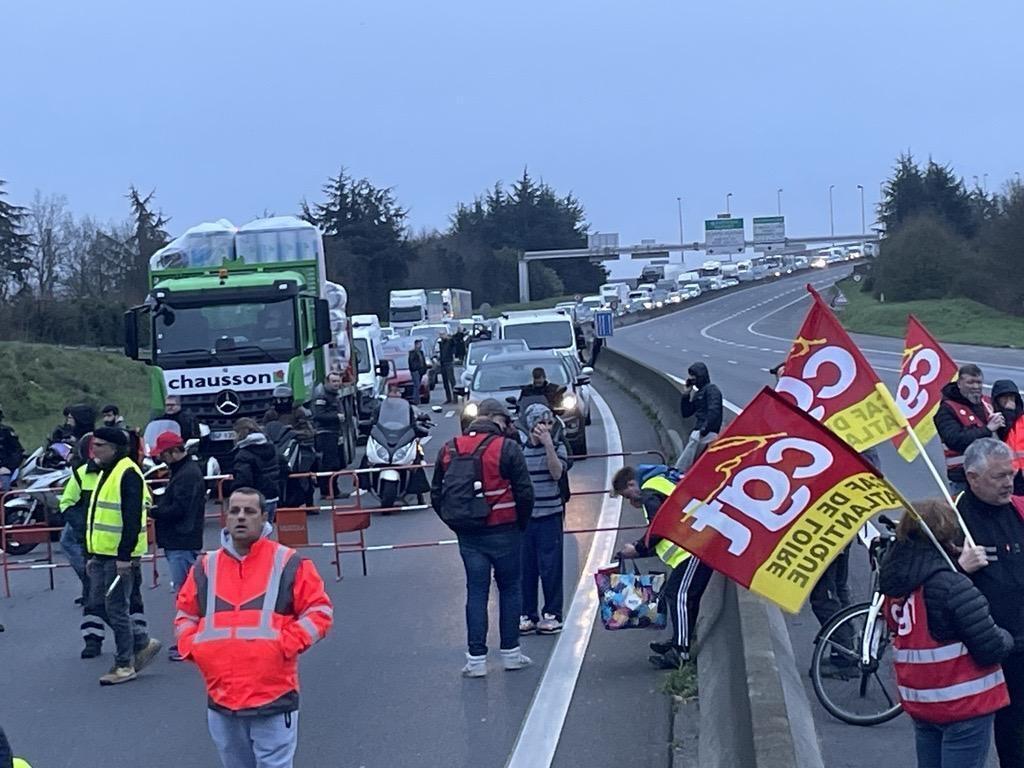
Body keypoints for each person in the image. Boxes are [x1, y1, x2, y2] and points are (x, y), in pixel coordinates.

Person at [175, 487, 333, 768]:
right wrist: (193, 648)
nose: (240, 517)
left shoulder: (288, 563)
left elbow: (319, 611)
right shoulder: (205, 567)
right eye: (234, 511)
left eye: (249, 511)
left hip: (272, 695)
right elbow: (186, 614)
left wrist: (285, 644)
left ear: (264, 517)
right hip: (221, 695)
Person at [880, 498, 1014, 768]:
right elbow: (992, 647)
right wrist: (1009, 636)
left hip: (921, 701)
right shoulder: (952, 586)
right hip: (962, 703)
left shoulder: (895, 580)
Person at [431, 398, 534, 677]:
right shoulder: (507, 448)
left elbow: (437, 495)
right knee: (510, 589)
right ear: (497, 421)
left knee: (476, 592)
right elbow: (525, 492)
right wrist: (520, 524)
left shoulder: (449, 448)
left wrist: (456, 524)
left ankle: (476, 660)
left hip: (469, 534)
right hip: (504, 529)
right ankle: (511, 653)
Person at [956, 438, 1024, 765]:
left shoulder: (1020, 509)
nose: (1008, 482)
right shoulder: (951, 517)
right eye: (999, 477)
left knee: (1017, 735)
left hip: (1021, 645)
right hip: (976, 650)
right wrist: (959, 569)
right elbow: (913, 579)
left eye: (1010, 474)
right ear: (972, 477)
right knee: (973, 736)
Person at [612, 465, 712, 668]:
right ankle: (679, 641)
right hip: (696, 544)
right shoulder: (659, 482)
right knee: (683, 596)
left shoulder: (649, 491)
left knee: (678, 596)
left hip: (692, 549)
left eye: (627, 495)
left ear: (632, 483)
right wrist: (639, 550)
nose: (631, 502)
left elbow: (660, 528)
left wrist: (638, 548)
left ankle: (680, 652)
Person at [84, 427, 161, 685]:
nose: (94, 449)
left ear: (115, 448)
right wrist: (93, 554)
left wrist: (124, 556)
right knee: (96, 604)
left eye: (100, 445)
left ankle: (124, 664)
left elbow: (130, 517)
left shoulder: (127, 473)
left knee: (116, 608)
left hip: (119, 555)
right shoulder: (107, 471)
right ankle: (141, 641)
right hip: (102, 554)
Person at [148, 431, 206, 661]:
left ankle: (189, 642)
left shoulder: (186, 475)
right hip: (183, 538)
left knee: (186, 596)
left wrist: (154, 511)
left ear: (173, 452)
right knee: (189, 593)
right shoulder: (185, 472)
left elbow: (178, 509)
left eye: (163, 454)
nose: (161, 459)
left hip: (181, 539)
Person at [517, 403, 569, 637]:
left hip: (551, 515)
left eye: (549, 423)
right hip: (527, 518)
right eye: (541, 423)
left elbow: (557, 473)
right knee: (525, 568)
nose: (545, 428)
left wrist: (548, 445)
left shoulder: (558, 447)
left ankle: (553, 613)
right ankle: (527, 613)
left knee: (551, 567)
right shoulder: (519, 451)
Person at [935, 364, 999, 494]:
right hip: (962, 477)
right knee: (964, 514)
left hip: (990, 474)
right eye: (970, 382)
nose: (975, 386)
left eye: (979, 382)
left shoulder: (987, 403)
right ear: (959, 383)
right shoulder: (946, 409)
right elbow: (954, 440)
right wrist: (987, 429)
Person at [58, 443, 100, 609]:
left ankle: (91, 584)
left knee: (71, 545)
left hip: (89, 520)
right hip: (84, 518)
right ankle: (90, 586)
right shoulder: (84, 470)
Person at [263, 385, 317, 510]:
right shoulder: (270, 414)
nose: (281, 403)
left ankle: (309, 501)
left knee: (304, 470)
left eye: (284, 400)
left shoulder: (298, 412)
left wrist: (295, 433)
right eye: (278, 400)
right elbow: (264, 428)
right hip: (277, 446)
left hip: (297, 445)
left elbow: (309, 431)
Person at [230, 418, 281, 523]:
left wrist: (233, 490)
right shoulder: (270, 447)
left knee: (253, 534)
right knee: (267, 529)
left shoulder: (243, 455)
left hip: (255, 499)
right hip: (272, 495)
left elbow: (243, 479)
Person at [676, 362, 723, 471]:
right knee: (692, 459)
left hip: (706, 433)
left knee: (686, 461)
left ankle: (678, 472)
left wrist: (704, 430)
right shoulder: (699, 393)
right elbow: (686, 413)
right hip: (700, 431)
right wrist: (686, 395)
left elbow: (714, 411)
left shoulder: (712, 390)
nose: (692, 379)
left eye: (694, 377)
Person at [310, 371, 346, 498]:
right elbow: (318, 415)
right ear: (327, 382)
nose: (336, 384)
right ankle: (326, 491)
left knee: (336, 463)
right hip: (325, 434)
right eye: (334, 381)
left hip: (334, 433)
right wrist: (336, 417)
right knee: (328, 464)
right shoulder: (322, 396)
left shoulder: (334, 395)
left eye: (338, 381)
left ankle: (334, 490)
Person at [992, 379, 1024, 495]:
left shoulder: (1022, 419)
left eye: (1011, 397)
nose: (1009, 401)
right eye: (1004, 398)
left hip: (1020, 476)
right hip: (1002, 477)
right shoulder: (992, 420)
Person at [0, 404, 24, 493]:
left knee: (4, 489)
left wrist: (7, 467)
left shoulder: (6, 432)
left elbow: (17, 452)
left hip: (3, 470)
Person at [437, 331, 457, 404]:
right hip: (443, 364)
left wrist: (449, 337)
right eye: (440, 335)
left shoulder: (449, 341)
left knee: (452, 381)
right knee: (445, 382)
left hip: (449, 363)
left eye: (442, 334)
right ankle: (448, 398)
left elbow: (454, 341)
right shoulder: (441, 344)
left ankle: (455, 398)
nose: (441, 336)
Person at [407, 340, 428, 406]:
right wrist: (416, 369)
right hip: (415, 371)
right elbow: (412, 362)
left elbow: (423, 362)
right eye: (419, 344)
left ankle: (417, 400)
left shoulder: (421, 352)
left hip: (420, 371)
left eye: (420, 344)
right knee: (417, 386)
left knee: (418, 386)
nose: (420, 345)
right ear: (415, 345)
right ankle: (415, 400)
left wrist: (424, 369)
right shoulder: (412, 353)